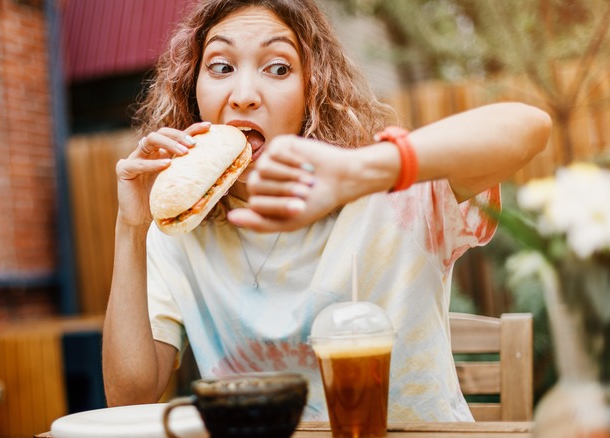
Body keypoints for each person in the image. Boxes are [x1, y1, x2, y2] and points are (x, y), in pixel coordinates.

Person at [103, 0, 551, 422]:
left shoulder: (390, 193)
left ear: (313, 91)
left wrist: (360, 171)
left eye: (278, 68)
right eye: (220, 67)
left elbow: (529, 127)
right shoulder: (179, 229)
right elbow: (129, 398)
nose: (243, 95)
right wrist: (132, 226)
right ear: (192, 90)